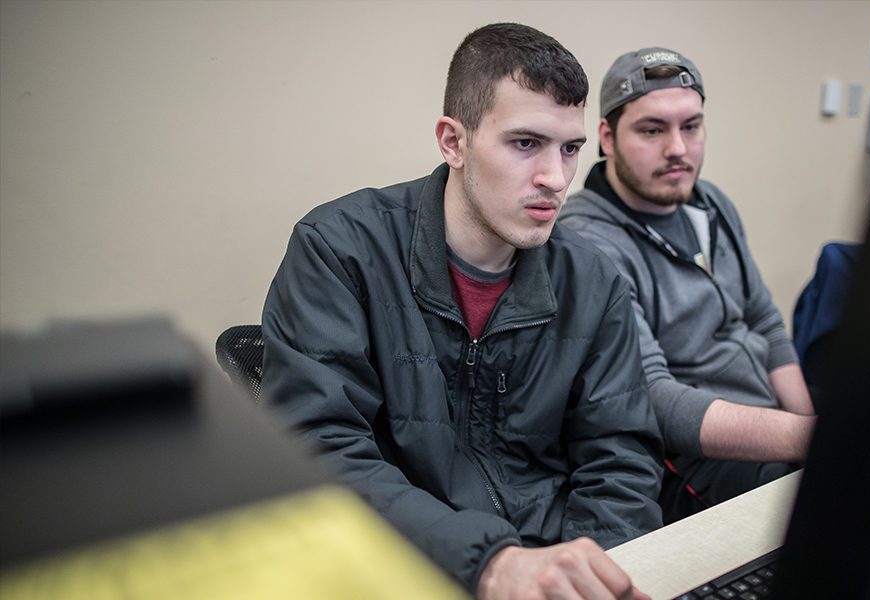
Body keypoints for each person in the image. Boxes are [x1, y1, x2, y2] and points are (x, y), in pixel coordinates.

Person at [262, 24, 663, 600]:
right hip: (401, 567)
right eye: (525, 144)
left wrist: (590, 574)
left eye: (570, 148)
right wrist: (490, 563)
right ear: (453, 142)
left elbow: (620, 456)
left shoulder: (591, 279)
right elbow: (318, 453)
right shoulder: (339, 249)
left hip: (551, 568)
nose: (555, 178)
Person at [558, 48, 817, 524]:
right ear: (607, 138)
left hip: (767, 416)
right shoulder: (587, 241)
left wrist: (809, 421)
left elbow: (763, 319)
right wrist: (810, 439)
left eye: (691, 127)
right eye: (652, 130)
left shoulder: (711, 202)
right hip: (688, 456)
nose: (677, 148)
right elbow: (652, 398)